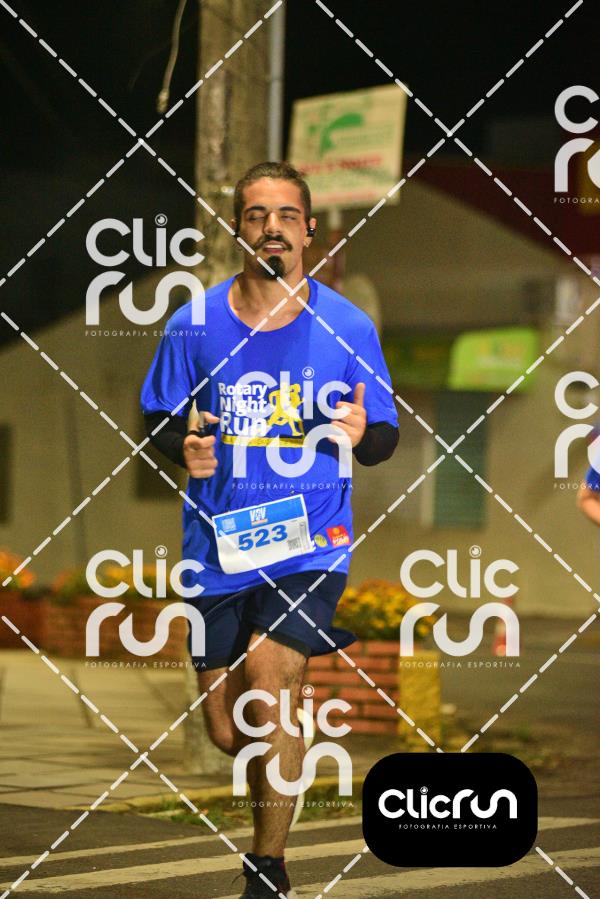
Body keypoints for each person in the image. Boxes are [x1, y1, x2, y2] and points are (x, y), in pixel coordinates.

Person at [141, 161, 399, 898]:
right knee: (229, 729)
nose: (272, 228)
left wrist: (363, 434)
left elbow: (384, 434)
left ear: (309, 230)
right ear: (239, 229)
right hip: (217, 544)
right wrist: (183, 446)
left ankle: (269, 867)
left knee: (272, 683)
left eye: (287, 215)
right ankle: (270, 751)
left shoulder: (348, 326)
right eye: (257, 215)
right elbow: (158, 416)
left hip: (310, 542)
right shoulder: (194, 323)